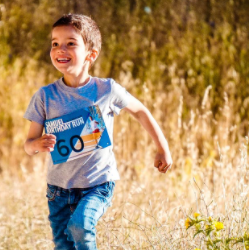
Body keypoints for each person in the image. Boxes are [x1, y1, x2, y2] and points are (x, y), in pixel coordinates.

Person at [23, 14, 173, 249]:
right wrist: (36, 145)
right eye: (55, 43)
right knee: (64, 245)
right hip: (58, 191)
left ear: (90, 55)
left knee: (81, 226)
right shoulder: (45, 96)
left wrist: (162, 148)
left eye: (70, 43)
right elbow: (28, 144)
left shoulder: (106, 90)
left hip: (97, 184)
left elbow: (141, 111)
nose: (60, 49)